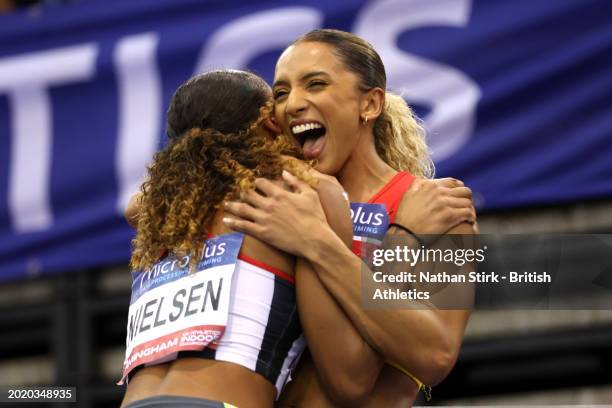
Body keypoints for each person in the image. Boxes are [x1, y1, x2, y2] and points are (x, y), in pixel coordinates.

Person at [223, 29, 476, 407]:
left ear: (370, 104)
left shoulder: (438, 208)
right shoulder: (274, 202)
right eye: (281, 93)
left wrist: (316, 241)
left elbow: (435, 355)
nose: (293, 103)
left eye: (316, 84)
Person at [120, 69, 380, 408]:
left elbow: (133, 206)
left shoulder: (160, 210)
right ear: (270, 123)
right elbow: (348, 378)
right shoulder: (304, 191)